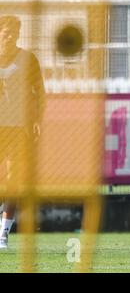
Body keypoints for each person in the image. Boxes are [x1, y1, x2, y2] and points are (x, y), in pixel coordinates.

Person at [0, 15, 46, 249]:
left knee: (13, 179)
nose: (10, 36)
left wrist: (38, 118)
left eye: (14, 32)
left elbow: (39, 91)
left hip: (17, 128)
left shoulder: (28, 60)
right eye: (6, 32)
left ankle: (3, 235)